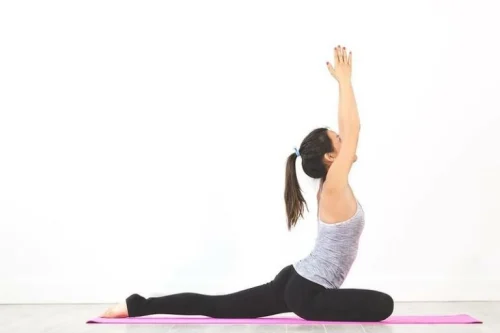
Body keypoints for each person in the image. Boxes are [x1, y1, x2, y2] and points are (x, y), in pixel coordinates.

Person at [101, 45, 394, 322]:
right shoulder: (332, 187)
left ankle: (136, 305)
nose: (345, 139)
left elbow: (348, 129)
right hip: (308, 292)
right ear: (331, 157)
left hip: (296, 279)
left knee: (218, 306)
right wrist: (344, 80)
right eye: (339, 140)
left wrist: (343, 85)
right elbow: (353, 128)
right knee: (383, 305)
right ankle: (138, 305)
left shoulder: (333, 184)